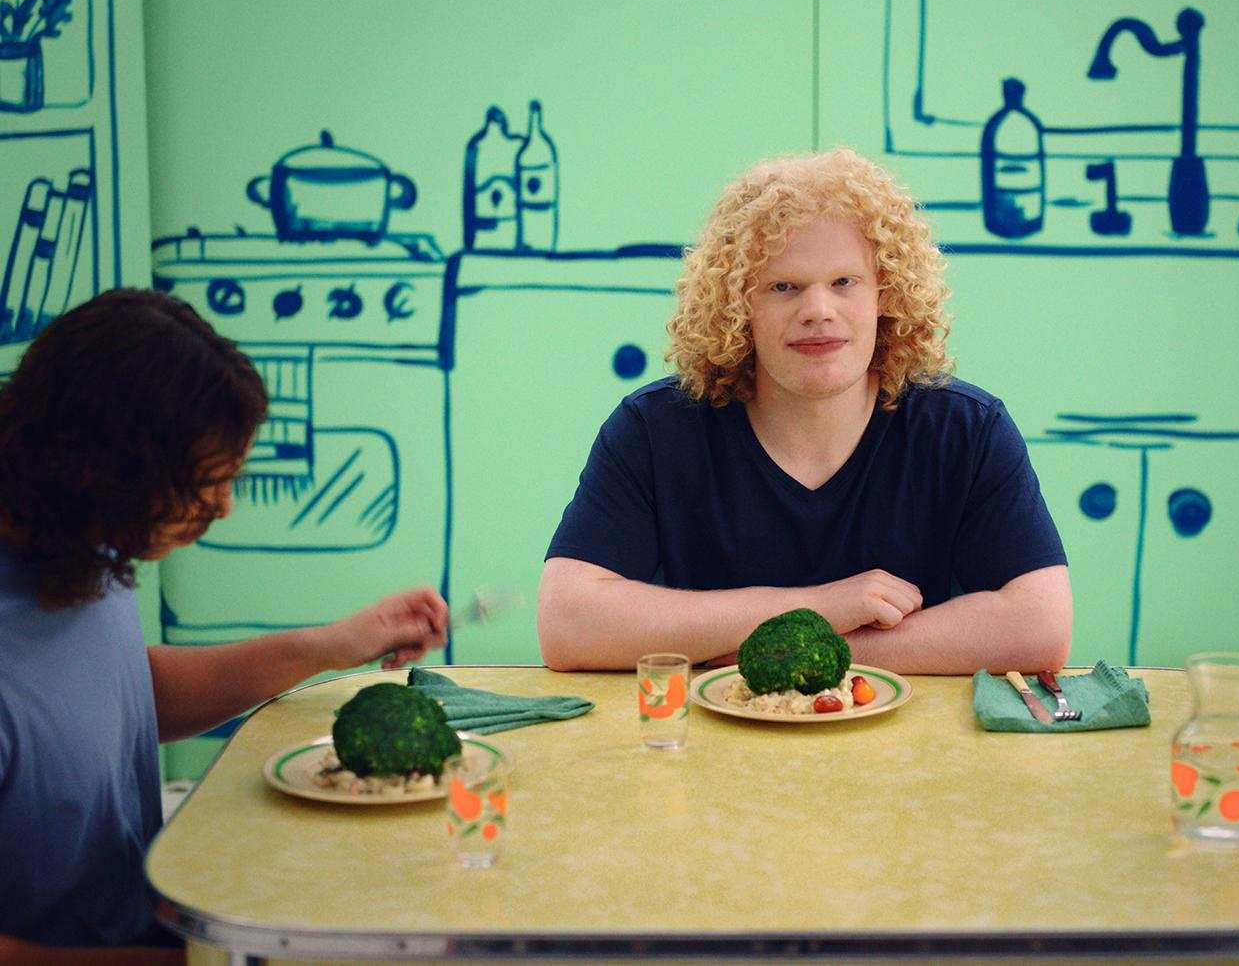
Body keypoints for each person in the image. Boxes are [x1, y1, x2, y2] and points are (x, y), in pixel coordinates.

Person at [0, 289, 449, 948]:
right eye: (204, 488)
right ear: (101, 468)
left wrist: (334, 643)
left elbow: (114, 691)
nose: (225, 508)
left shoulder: (72, 538)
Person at [539, 147, 1071, 673]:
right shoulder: (655, 429)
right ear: (738, 305)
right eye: (783, 287)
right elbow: (567, 624)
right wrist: (819, 607)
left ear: (884, 294)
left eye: (844, 282)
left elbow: (1040, 625)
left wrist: (789, 650)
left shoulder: (967, 430)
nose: (818, 311)